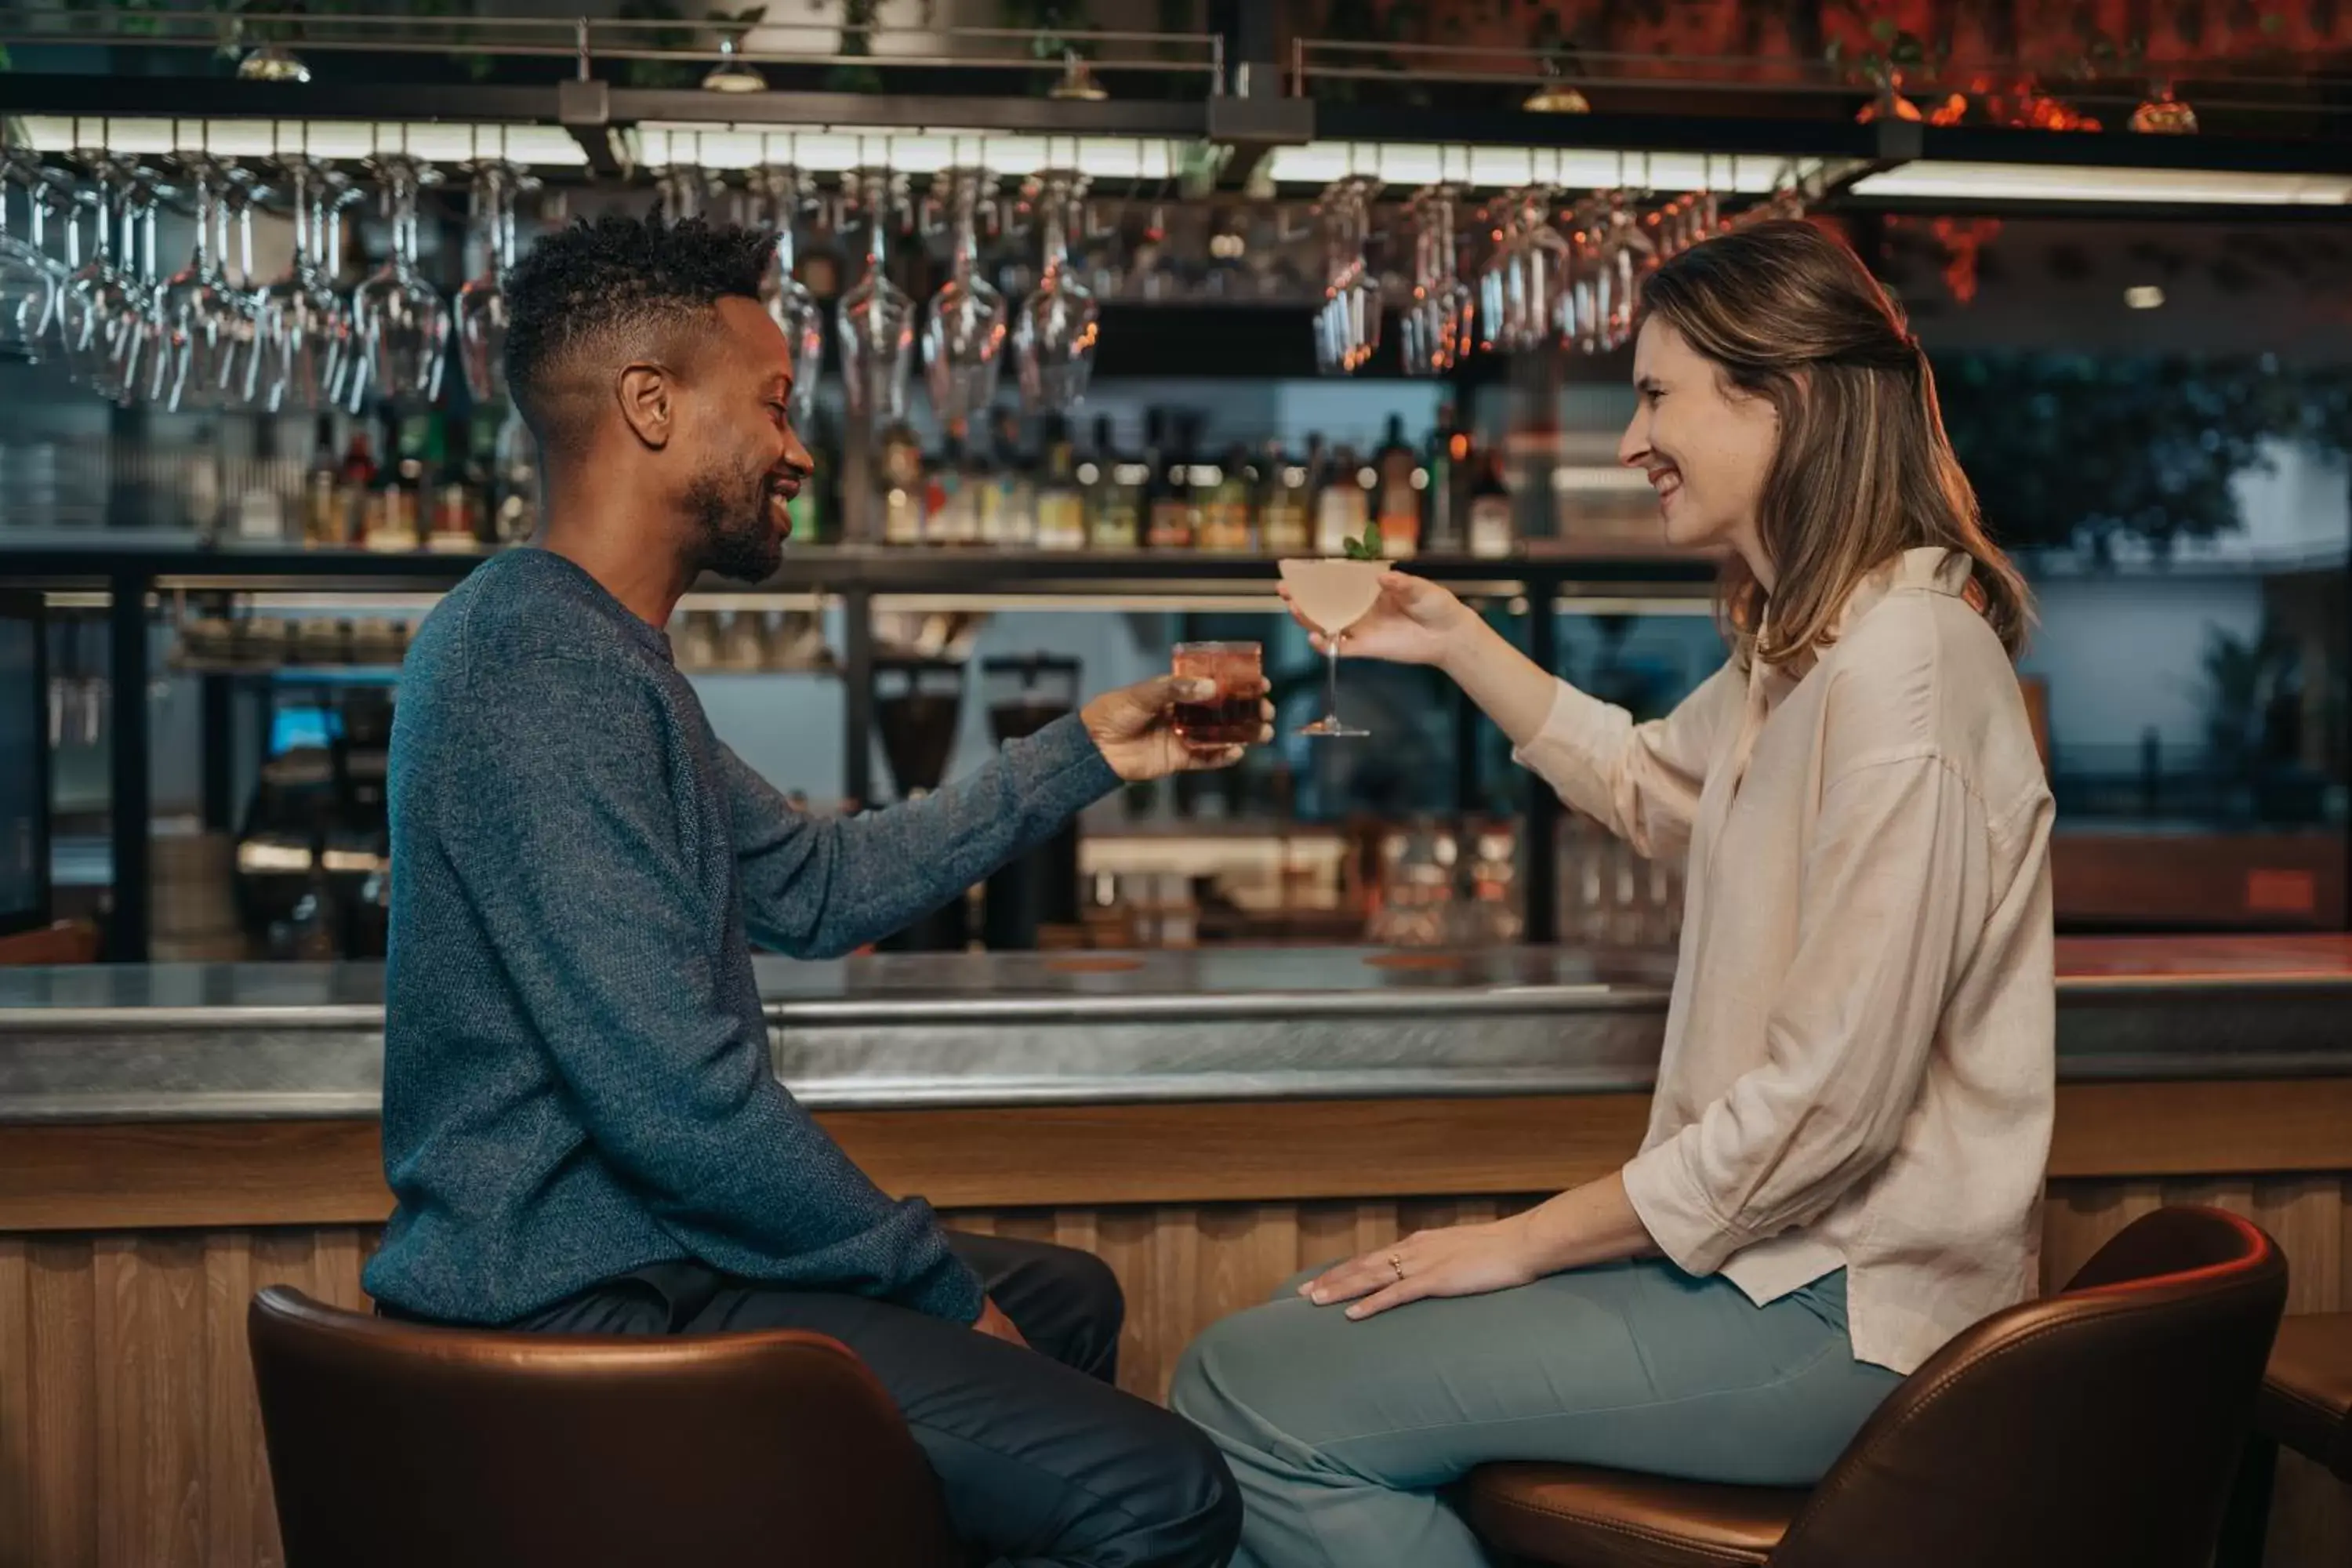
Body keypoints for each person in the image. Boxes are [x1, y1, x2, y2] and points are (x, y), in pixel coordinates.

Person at [363, 215, 1252, 1568]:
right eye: (775, 405)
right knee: (1164, 1493)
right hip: (578, 1301)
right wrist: (936, 1289)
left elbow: (817, 885)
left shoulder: (596, 653)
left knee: (1065, 1300)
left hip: (640, 1259)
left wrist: (1088, 754)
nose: (796, 448)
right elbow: (681, 1103)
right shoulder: (533, 666)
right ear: (650, 407)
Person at [1171, 219, 2054, 1567]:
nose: (1628, 443)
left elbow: (1830, 1107)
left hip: (1846, 1318)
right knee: (1298, 1330)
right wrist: (1458, 638)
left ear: (1789, 396)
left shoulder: (1906, 667)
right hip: (1765, 1279)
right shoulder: (1818, 652)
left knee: (1251, 1393)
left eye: (1656, 396)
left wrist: (1525, 1241)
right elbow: (1653, 786)